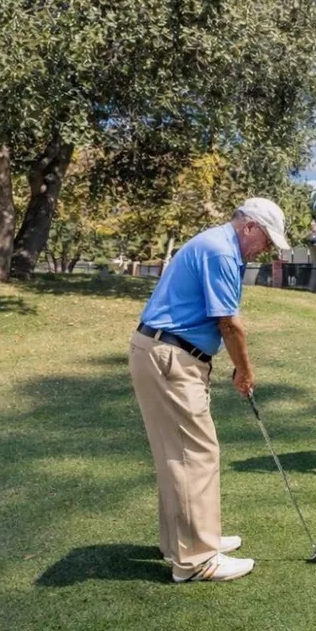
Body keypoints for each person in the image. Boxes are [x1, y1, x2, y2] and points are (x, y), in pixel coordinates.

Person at [129, 198, 290, 583]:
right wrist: (244, 371)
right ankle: (197, 560)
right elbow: (229, 324)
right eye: (267, 240)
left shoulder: (219, 245)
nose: (267, 250)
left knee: (178, 453)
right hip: (171, 356)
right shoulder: (221, 252)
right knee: (195, 453)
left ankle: (184, 543)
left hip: (165, 352)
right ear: (249, 227)